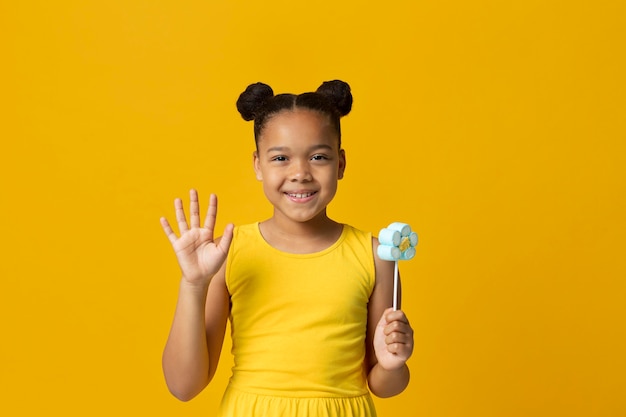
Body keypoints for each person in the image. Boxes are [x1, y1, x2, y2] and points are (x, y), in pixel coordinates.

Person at [160, 80, 414, 416]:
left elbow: (383, 385)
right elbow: (183, 386)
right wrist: (194, 285)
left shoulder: (376, 256)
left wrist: (393, 364)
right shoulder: (228, 253)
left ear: (340, 164)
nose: (300, 173)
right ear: (257, 165)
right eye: (281, 158)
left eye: (318, 157)